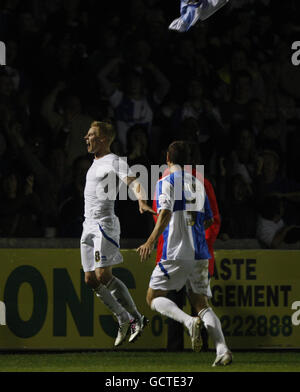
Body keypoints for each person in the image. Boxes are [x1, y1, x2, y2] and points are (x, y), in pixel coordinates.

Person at [137, 141, 232, 366]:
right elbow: (208, 218)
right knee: (202, 304)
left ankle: (189, 323)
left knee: (153, 297)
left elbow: (166, 213)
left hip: (176, 251)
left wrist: (150, 240)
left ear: (168, 159)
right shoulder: (199, 183)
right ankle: (223, 349)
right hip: (199, 253)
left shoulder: (165, 181)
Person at [81, 120, 155, 347]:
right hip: (88, 225)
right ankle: (124, 318)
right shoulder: (94, 163)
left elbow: (132, 181)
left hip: (105, 223)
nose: (86, 138)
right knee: (91, 279)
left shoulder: (113, 160)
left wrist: (141, 200)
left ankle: (136, 318)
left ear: (103, 139)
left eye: (91, 134)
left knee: (104, 274)